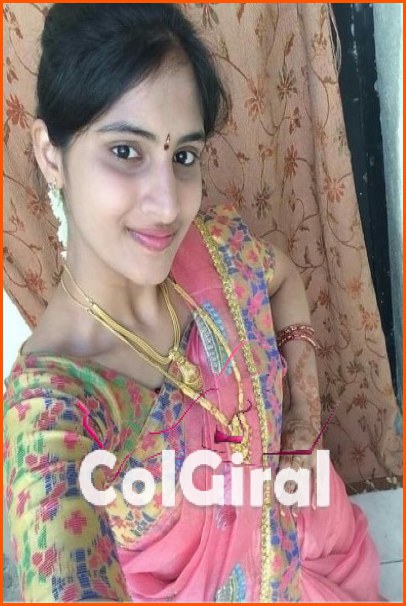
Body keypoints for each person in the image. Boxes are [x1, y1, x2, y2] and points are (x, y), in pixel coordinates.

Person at [4, 4, 382, 603]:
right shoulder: (55, 410)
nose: (167, 206)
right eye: (125, 151)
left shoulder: (214, 245)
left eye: (183, 156)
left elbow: (283, 278)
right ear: (52, 154)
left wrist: (301, 422)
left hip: (312, 540)